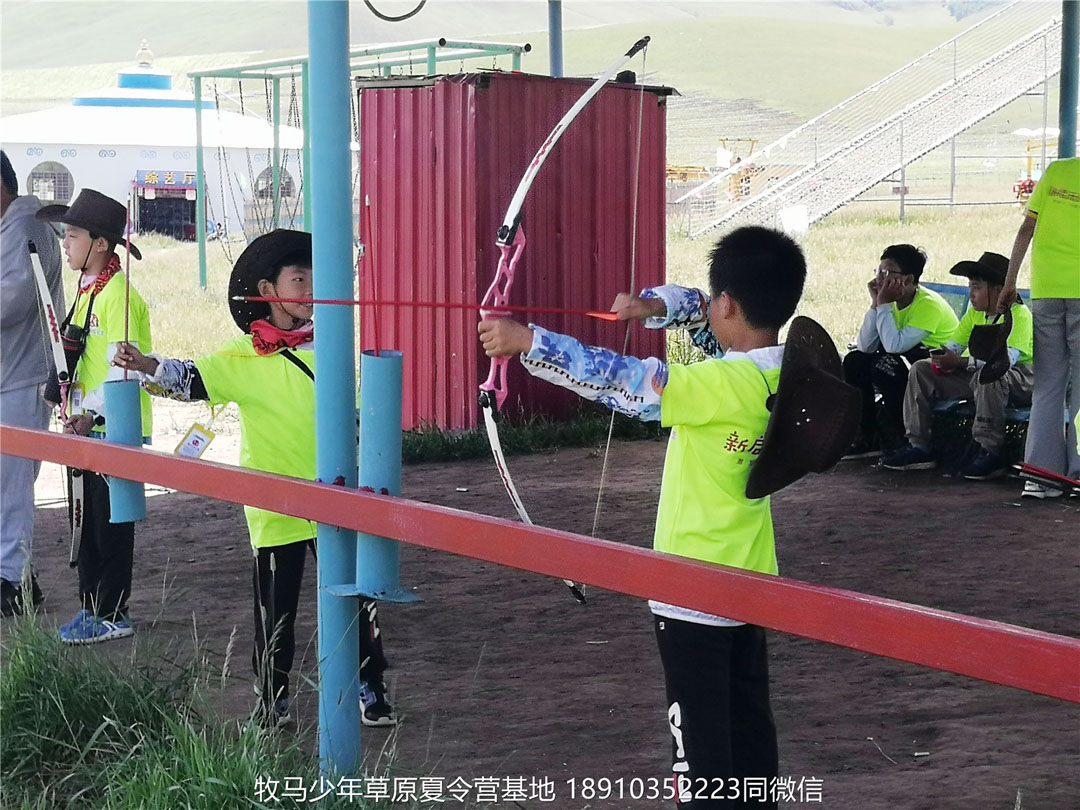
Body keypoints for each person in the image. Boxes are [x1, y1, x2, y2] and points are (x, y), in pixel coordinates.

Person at [479, 226, 810, 809]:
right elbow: (700, 317)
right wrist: (652, 306)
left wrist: (528, 341)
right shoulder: (785, 372)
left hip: (690, 586)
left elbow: (624, 381)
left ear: (726, 304)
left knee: (703, 761)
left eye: (713, 302)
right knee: (750, 739)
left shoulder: (720, 382)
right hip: (752, 581)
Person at [112, 230, 394, 729]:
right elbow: (191, 378)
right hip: (275, 505)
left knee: (356, 602)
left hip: (341, 497)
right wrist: (146, 365)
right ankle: (272, 701)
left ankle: (370, 689)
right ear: (267, 290)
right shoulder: (242, 356)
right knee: (274, 613)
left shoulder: (331, 343)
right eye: (298, 278)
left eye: (315, 278)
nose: (309, 288)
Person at [34, 188, 152, 644]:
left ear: (100, 243)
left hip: (112, 428)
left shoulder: (118, 295)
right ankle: (90, 604)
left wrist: (91, 413)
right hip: (84, 426)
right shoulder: (87, 292)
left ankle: (111, 611)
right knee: (83, 520)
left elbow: (126, 370)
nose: (64, 244)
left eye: (72, 235)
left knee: (109, 524)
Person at [883, 252, 1033, 479]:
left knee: (989, 375)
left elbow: (1005, 361)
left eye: (976, 288)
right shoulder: (974, 315)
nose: (971, 294)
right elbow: (953, 346)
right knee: (921, 369)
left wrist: (960, 362)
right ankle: (919, 446)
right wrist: (940, 358)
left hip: (1019, 379)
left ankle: (990, 451)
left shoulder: (1019, 315)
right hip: (980, 376)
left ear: (997, 290)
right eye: (970, 287)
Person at [0, 149, 64, 616]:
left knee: (11, 483)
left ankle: (13, 581)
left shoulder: (25, 228)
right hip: (11, 374)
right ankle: (15, 574)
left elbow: (14, 300)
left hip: (23, 377)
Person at [999, 156, 1080, 498]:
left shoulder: (1057, 171)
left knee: (1047, 384)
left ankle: (1042, 476)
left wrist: (1008, 282)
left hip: (1046, 291)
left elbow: (1026, 230)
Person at [841, 244, 959, 458]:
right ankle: (868, 436)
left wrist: (883, 304)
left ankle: (902, 437)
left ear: (907, 279)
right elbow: (865, 346)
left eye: (886, 273)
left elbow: (895, 346)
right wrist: (875, 304)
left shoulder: (928, 305)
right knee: (855, 361)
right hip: (905, 363)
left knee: (884, 365)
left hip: (935, 371)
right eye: (878, 271)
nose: (879, 278)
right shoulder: (891, 302)